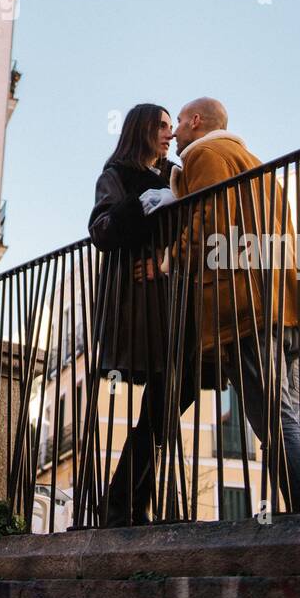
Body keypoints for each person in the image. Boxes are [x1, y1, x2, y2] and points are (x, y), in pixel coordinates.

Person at [171, 97, 300, 514]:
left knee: (274, 420)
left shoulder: (203, 153)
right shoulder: (255, 163)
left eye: (180, 121)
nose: (174, 132)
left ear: (197, 121)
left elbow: (208, 218)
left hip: (247, 309)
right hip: (286, 305)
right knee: (288, 418)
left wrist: (173, 256)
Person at [88, 103, 183, 526]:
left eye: (171, 125)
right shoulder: (117, 175)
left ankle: (123, 501)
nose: (171, 133)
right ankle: (125, 502)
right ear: (142, 130)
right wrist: (142, 204)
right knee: (165, 390)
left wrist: (165, 257)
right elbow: (101, 230)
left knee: (173, 391)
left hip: (170, 293)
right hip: (136, 298)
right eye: (162, 126)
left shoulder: (174, 175)